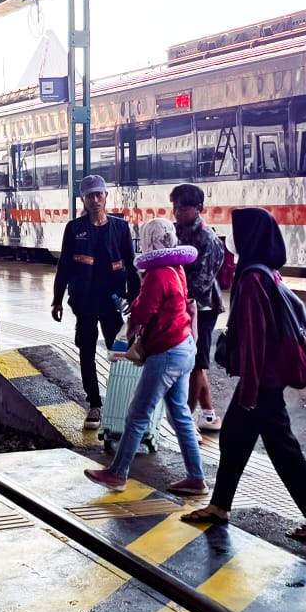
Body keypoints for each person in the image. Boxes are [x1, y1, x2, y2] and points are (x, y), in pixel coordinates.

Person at [181, 208, 306, 541]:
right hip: (266, 380)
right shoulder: (268, 271)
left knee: (281, 448)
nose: (234, 239)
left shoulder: (252, 278)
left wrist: (249, 392)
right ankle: (220, 506)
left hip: (262, 382)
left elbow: (254, 341)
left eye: (239, 232)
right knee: (236, 438)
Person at [84, 219, 207, 495]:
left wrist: (131, 324)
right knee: (180, 416)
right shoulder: (176, 269)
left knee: (138, 414)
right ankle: (196, 477)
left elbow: (142, 313)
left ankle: (117, 473)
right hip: (185, 347)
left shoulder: (157, 275)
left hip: (166, 352)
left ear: (149, 241)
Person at [51, 175, 140, 432]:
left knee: (119, 353)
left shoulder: (120, 228)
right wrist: (57, 300)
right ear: (83, 199)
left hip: (112, 302)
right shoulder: (74, 228)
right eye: (90, 196)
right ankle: (95, 404)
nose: (95, 200)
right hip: (84, 302)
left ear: (106, 196)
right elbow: (64, 266)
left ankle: (117, 402)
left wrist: (135, 298)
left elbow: (132, 266)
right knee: (86, 351)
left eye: (99, 195)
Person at [170, 184, 226, 431]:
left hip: (202, 308)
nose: (177, 212)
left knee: (196, 363)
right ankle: (209, 415)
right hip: (183, 305)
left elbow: (202, 281)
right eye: (175, 206)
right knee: (196, 362)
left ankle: (188, 419)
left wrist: (173, 296)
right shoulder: (175, 232)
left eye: (182, 207)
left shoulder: (207, 238)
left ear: (198, 208)